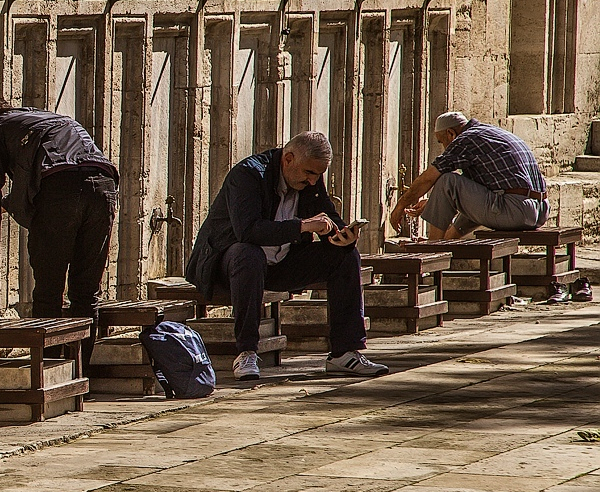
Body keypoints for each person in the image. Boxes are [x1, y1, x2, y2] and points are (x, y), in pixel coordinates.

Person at [185, 132, 387, 381]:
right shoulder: (248, 175)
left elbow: (326, 214)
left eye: (318, 175)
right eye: (309, 173)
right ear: (288, 158)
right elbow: (248, 231)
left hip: (280, 264)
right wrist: (302, 226)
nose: (313, 181)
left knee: (346, 257)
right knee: (248, 254)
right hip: (228, 267)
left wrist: (342, 236)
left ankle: (345, 353)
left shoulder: (310, 181)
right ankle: (247, 352)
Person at [0, 98, 119, 323]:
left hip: (58, 193)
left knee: (48, 291)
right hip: (103, 187)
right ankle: (84, 348)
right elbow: (64, 172)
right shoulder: (54, 120)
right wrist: (3, 206)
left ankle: (48, 346)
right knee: (86, 292)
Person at [388, 112, 547, 240]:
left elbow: (428, 178)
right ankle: (443, 241)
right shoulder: (490, 133)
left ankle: (432, 248)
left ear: (450, 133)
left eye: (441, 142)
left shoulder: (466, 139)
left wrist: (400, 205)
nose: (444, 148)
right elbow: (478, 196)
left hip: (516, 210)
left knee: (446, 180)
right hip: (540, 211)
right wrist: (435, 202)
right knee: (460, 187)